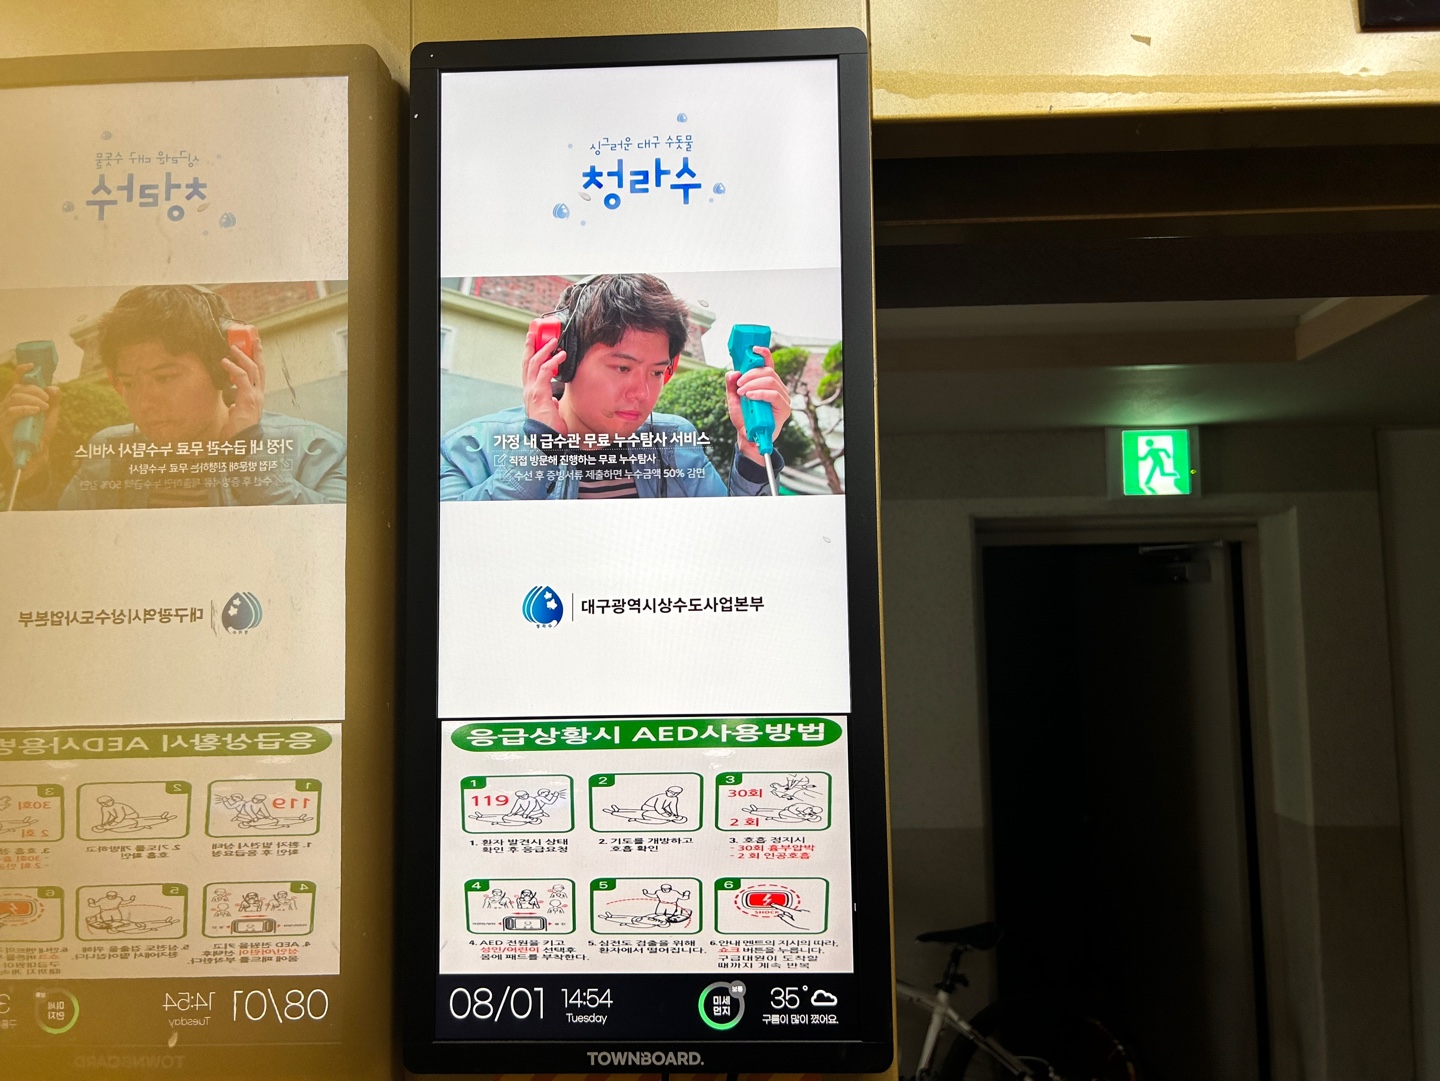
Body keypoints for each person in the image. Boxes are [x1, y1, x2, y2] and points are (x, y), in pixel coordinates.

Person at [439, 273, 791, 499]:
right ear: (563, 359)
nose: (642, 394)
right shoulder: (470, 449)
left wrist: (751, 452)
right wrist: (541, 449)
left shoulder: (674, 444)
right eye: (622, 367)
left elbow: (732, 545)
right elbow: (462, 553)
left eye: (656, 372)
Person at [0, 284, 346, 509]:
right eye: (129, 383)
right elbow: (57, 556)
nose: (143, 403)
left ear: (223, 370)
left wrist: (248, 455)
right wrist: (32, 474)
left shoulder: (315, 451)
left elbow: (330, 557)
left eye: (164, 377)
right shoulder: (108, 456)